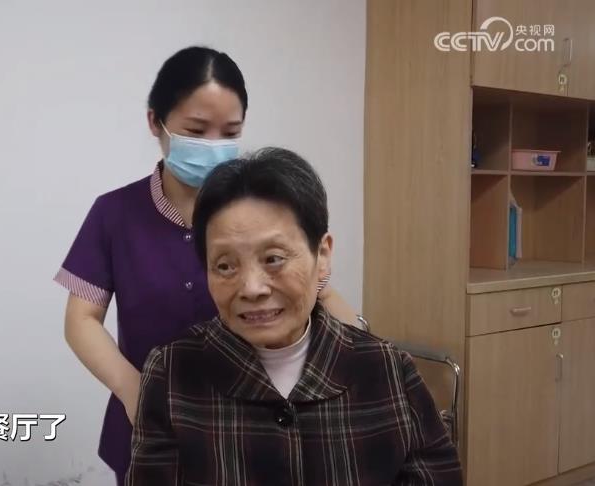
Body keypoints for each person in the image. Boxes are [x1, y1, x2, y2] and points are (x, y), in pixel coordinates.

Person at [53, 46, 360, 484]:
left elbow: (319, 292)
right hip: (150, 425)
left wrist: (368, 361)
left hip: (253, 423)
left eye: (229, 132)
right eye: (197, 131)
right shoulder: (114, 213)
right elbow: (81, 320)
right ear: (156, 122)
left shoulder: (263, 209)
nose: (214, 147)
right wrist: (135, 391)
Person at [126, 148, 463, 485]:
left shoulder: (386, 369)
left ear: (323, 255)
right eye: (225, 266)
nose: (252, 288)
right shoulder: (172, 372)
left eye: (273, 258)